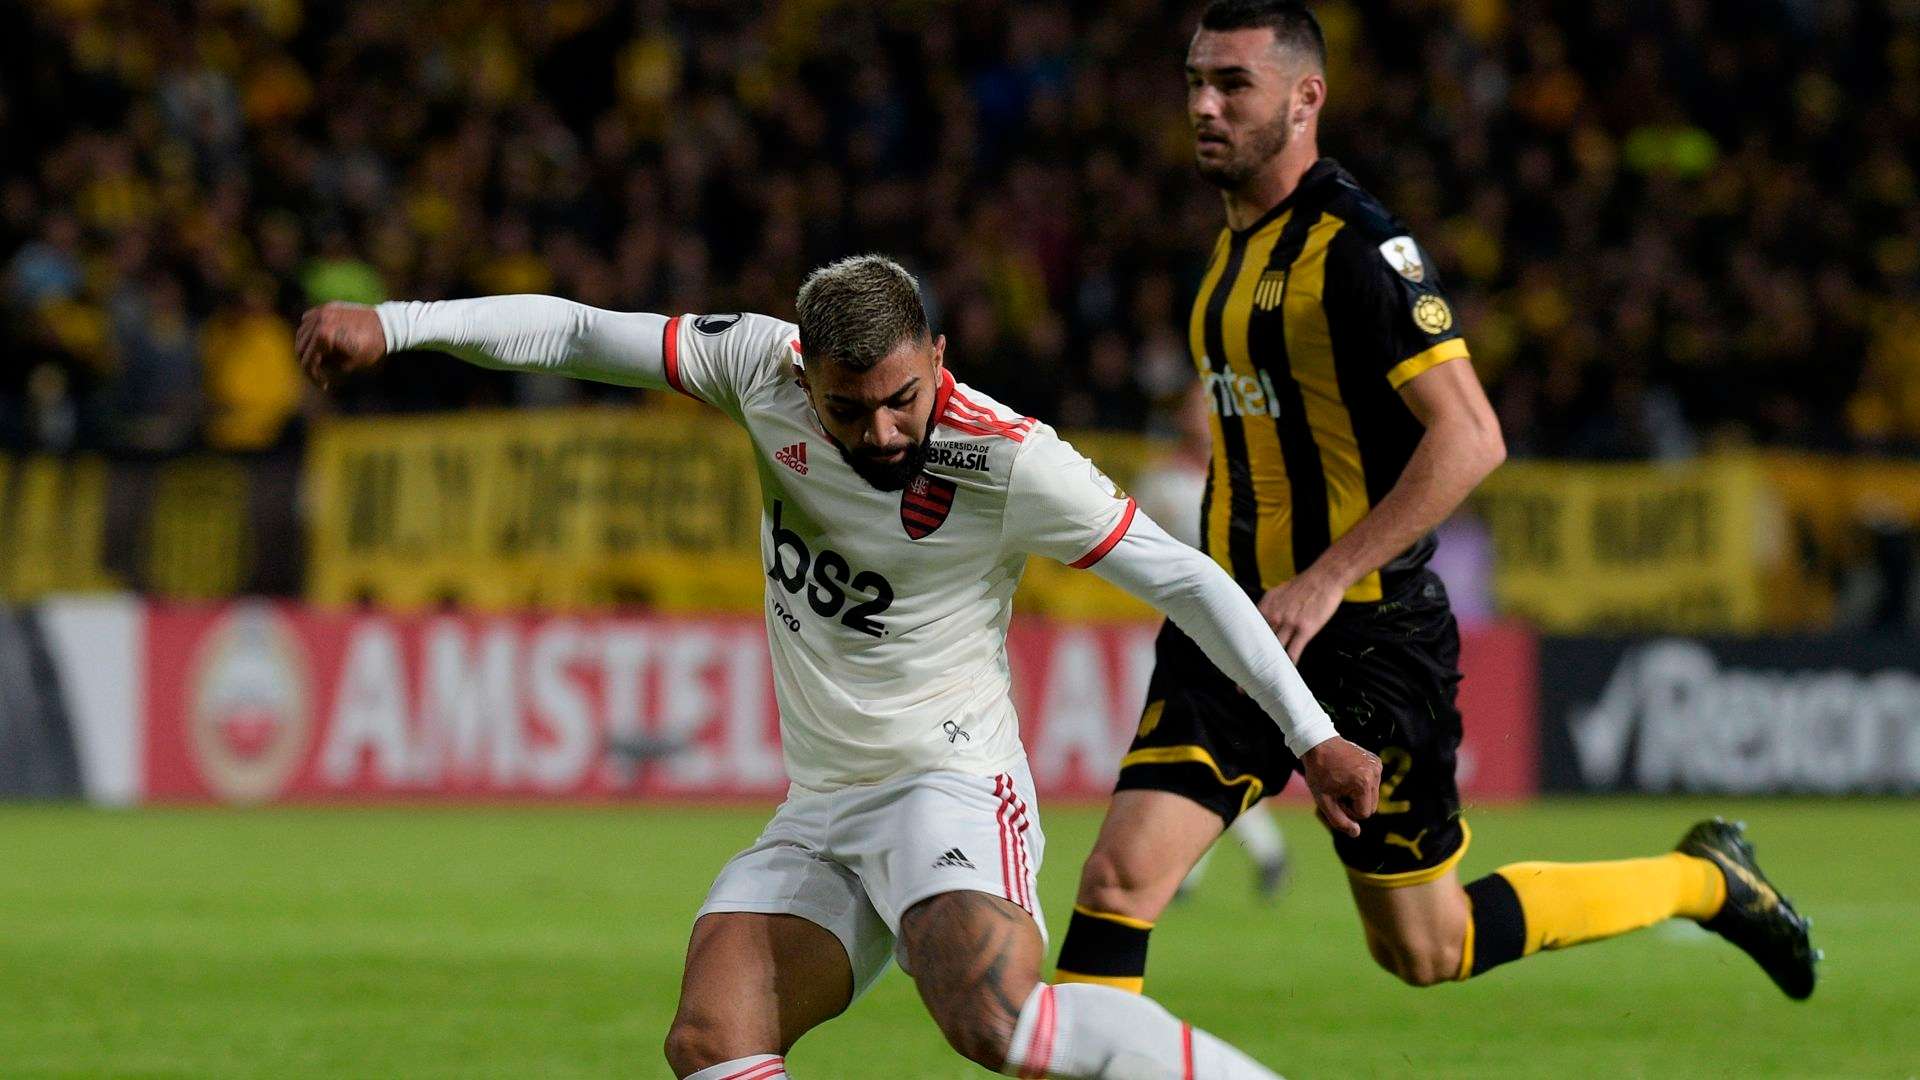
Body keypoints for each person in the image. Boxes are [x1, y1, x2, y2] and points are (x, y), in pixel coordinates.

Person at [297, 253, 1383, 1080]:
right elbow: (579, 329)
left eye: (902, 398)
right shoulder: (752, 364)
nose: (878, 431)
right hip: (823, 804)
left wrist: (1314, 734)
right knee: (713, 1035)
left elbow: (1187, 580)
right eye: (848, 405)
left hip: (948, 781)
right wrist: (395, 326)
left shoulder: (1010, 460)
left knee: (991, 1017)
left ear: (939, 359)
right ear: (801, 369)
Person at [1053, 0, 1816, 1001]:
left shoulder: (1359, 247)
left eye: (1233, 84)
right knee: (1117, 881)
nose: (1205, 104)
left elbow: (1473, 436)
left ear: (1306, 96)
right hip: (1237, 629)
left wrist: (1328, 576)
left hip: (1368, 641)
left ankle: (1704, 881)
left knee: (1427, 946)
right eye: (1196, 80)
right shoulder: (1227, 258)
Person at [1131, 383, 1291, 902]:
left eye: (1210, 405)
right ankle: (1252, 856)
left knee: (1209, 742)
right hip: (1180, 626)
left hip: (1239, 625)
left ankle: (1204, 867)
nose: (1203, 415)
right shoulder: (1160, 480)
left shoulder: (1246, 479)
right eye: (1194, 403)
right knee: (1208, 744)